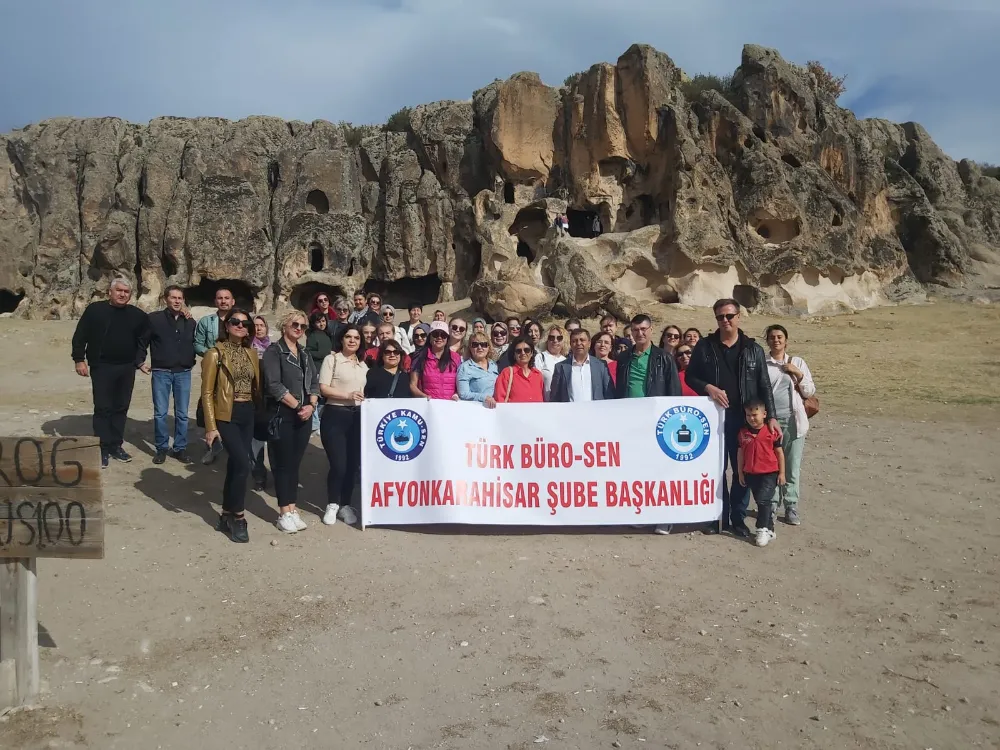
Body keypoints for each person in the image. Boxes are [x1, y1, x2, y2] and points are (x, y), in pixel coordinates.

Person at [685, 299, 780, 538]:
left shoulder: (753, 349)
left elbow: (764, 384)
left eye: (729, 316)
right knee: (715, 470)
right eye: (720, 317)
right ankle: (717, 517)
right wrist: (709, 388)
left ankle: (737, 519)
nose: (725, 321)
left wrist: (772, 417)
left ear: (739, 316)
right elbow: (690, 376)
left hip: (744, 421)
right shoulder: (705, 347)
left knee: (742, 473)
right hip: (713, 420)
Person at [614, 314, 682, 536]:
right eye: (635, 330)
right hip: (631, 422)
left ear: (651, 330)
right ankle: (642, 512)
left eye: (643, 329)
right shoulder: (624, 359)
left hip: (657, 422)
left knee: (661, 470)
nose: (639, 333)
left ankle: (665, 517)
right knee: (638, 470)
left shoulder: (664, 358)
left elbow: (674, 391)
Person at [71, 277, 149, 468]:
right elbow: (80, 335)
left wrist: (139, 360)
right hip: (102, 366)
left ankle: (116, 445)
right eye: (119, 291)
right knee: (103, 407)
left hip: (126, 367)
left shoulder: (137, 315)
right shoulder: (95, 311)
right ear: (110, 292)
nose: (122, 294)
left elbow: (145, 336)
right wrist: (79, 359)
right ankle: (102, 448)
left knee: (121, 407)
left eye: (126, 292)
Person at [200, 308, 262, 543]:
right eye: (235, 322)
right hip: (226, 413)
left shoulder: (251, 354)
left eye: (245, 323)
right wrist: (210, 427)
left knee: (236, 467)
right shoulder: (215, 353)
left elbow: (257, 387)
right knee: (243, 464)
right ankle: (238, 517)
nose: (240, 326)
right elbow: (207, 393)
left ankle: (225, 514)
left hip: (247, 412)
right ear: (226, 326)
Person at [261, 311, 320, 534]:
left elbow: (314, 381)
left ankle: (292, 509)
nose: (299, 329)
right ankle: (283, 512)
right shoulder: (274, 352)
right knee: (282, 464)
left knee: (295, 464)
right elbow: (274, 385)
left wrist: (311, 406)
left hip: (304, 415)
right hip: (283, 414)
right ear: (284, 325)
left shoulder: (304, 354)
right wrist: (297, 406)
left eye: (303, 326)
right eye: (295, 324)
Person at [138, 285, 196, 464]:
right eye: (173, 298)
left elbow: (195, 342)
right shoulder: (154, 319)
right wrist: (140, 361)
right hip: (161, 372)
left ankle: (180, 448)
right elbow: (142, 341)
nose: (177, 301)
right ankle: (162, 448)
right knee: (160, 413)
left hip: (184, 372)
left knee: (182, 414)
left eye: (180, 298)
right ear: (165, 299)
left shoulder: (190, 321)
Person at [765, 324, 815, 526]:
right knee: (772, 465)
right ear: (767, 341)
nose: (776, 340)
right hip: (771, 421)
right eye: (772, 337)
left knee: (792, 466)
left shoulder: (798, 362)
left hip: (794, 421)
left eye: (779, 337)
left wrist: (798, 373)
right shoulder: (763, 363)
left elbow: (809, 392)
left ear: (786, 340)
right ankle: (772, 504)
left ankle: (791, 505)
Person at [319, 325, 368, 526]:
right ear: (341, 339)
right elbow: (323, 388)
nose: (352, 340)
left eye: (356, 337)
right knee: (338, 465)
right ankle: (332, 503)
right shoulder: (332, 360)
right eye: (348, 336)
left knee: (351, 466)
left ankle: (345, 504)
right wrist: (347, 395)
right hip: (335, 414)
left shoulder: (364, 365)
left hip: (357, 418)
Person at [737, 400, 786, 547]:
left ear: (764, 414)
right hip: (751, 473)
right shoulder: (743, 433)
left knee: (764, 500)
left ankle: (761, 529)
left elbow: (779, 453)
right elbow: (740, 453)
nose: (751, 418)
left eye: (755, 414)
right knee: (760, 501)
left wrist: (782, 473)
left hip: (769, 473)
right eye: (748, 415)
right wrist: (740, 472)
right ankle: (770, 529)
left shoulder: (772, 432)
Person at [549, 329, 614, 402]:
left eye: (582, 340)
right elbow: (555, 397)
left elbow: (609, 395)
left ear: (589, 343)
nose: (578, 343)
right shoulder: (560, 367)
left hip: (596, 412)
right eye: (574, 341)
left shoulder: (601, 366)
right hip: (569, 412)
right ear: (570, 344)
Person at [409, 321, 461, 399]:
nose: (439, 337)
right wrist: (424, 397)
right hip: (429, 406)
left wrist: (456, 395)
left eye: (443, 335)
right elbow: (413, 385)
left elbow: (461, 383)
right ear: (430, 337)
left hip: (451, 406)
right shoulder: (420, 357)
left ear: (447, 338)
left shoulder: (456, 357)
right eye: (436, 334)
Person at [305, 312, 333, 433]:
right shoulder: (312, 336)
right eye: (318, 321)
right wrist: (326, 354)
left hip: (326, 370)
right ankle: (315, 423)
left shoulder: (326, 334)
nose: (321, 324)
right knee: (315, 395)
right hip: (316, 369)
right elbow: (308, 352)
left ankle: (319, 420)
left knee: (324, 397)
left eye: (323, 321)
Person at [495, 335, 544, 403]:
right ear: (514, 354)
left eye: (527, 350)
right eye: (518, 351)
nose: (523, 353)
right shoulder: (507, 373)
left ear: (532, 353)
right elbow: (499, 401)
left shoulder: (538, 375)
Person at [457, 333, 499, 407]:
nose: (479, 347)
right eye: (475, 344)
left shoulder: (494, 365)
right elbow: (463, 394)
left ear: (488, 347)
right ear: (470, 347)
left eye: (483, 344)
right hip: (477, 409)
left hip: (495, 409)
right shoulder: (465, 367)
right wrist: (484, 397)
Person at [194, 287, 235, 356]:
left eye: (227, 298)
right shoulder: (205, 321)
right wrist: (212, 355)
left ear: (233, 301)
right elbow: (198, 345)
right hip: (214, 363)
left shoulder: (240, 321)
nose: (223, 301)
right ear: (215, 302)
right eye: (220, 298)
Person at [535, 325, 568, 401]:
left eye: (559, 338)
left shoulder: (566, 361)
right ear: (547, 340)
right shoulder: (540, 357)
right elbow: (536, 384)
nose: (555, 340)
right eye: (551, 338)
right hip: (545, 404)